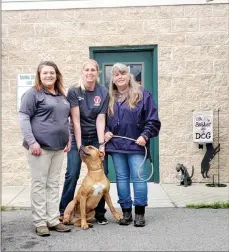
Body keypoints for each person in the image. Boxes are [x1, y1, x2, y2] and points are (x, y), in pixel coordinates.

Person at [104, 63, 161, 227]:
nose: (120, 76)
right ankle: (126, 212)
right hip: (116, 145)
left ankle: (140, 213)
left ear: (129, 75)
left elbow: (152, 119)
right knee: (121, 178)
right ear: (113, 79)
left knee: (138, 178)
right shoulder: (109, 97)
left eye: (122, 73)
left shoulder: (143, 94)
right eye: (116, 74)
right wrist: (106, 131)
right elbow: (101, 119)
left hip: (136, 145)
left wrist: (145, 135)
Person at [19, 61, 71, 237]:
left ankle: (53, 219)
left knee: (53, 183)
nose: (49, 75)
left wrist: (68, 138)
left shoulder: (61, 95)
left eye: (52, 73)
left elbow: (65, 119)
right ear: (39, 75)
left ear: (57, 75)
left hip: (58, 147)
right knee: (40, 183)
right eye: (45, 73)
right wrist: (32, 142)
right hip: (39, 148)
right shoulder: (33, 94)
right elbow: (24, 117)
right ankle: (40, 222)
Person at [59, 59, 109, 225]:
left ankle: (100, 213)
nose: (90, 73)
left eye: (93, 70)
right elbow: (75, 121)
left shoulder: (103, 91)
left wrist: (102, 145)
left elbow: (100, 119)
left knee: (102, 174)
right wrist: (79, 146)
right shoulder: (74, 90)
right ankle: (64, 212)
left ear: (97, 72)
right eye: (86, 70)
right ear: (83, 72)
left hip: (94, 138)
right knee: (72, 173)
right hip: (77, 137)